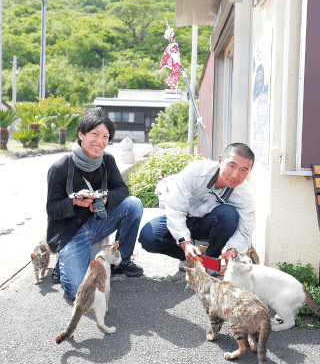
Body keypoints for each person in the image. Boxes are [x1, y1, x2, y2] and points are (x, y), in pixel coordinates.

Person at [46, 108, 143, 299]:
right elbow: (52, 210)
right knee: (77, 292)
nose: (100, 141)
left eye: (106, 136)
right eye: (95, 134)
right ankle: (62, 263)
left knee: (133, 204)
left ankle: (121, 262)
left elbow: (122, 190)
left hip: (98, 223)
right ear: (81, 134)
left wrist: (105, 199)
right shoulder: (60, 167)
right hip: (71, 233)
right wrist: (74, 201)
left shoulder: (107, 160)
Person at [138, 143, 256, 274]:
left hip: (208, 224)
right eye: (232, 166)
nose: (235, 175)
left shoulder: (245, 194)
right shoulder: (196, 171)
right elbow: (175, 208)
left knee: (229, 214)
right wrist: (185, 243)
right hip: (184, 219)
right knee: (149, 236)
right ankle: (191, 258)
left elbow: (246, 230)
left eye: (244, 170)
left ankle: (211, 261)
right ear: (221, 160)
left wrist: (233, 250)